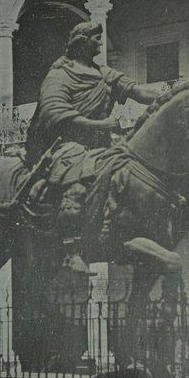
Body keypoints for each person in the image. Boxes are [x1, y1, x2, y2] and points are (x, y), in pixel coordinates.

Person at [23, 21, 162, 274]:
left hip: (103, 145)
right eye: (96, 38)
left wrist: (168, 96)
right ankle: (73, 250)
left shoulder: (105, 74)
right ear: (81, 42)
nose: (100, 43)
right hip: (68, 144)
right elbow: (55, 113)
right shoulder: (59, 74)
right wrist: (98, 124)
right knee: (76, 182)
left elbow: (136, 90)